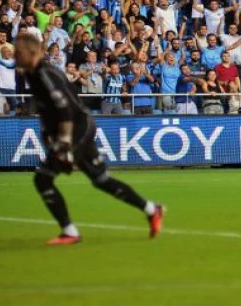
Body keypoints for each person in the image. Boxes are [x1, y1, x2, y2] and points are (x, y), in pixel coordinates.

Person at [13, 34, 164, 245]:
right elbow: (47, 109)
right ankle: (151, 209)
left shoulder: (44, 74)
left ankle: (69, 231)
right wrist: (49, 135)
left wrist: (64, 144)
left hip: (77, 128)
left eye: (18, 53)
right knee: (100, 179)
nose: (14, 57)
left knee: (43, 178)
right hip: (75, 127)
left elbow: (65, 109)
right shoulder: (30, 74)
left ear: (31, 52)